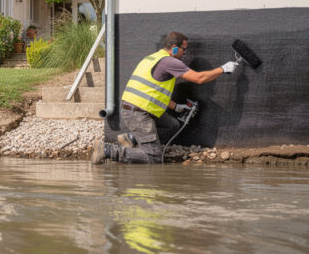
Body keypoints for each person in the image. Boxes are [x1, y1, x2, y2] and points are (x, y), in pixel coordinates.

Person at [92, 31, 239, 164]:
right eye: (184, 49)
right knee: (153, 157)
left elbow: (153, 92)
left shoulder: (152, 58)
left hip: (138, 108)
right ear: (175, 48)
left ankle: (131, 138)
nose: (185, 53)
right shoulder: (170, 62)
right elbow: (199, 78)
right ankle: (107, 150)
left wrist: (176, 107)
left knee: (172, 125)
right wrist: (222, 69)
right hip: (137, 112)